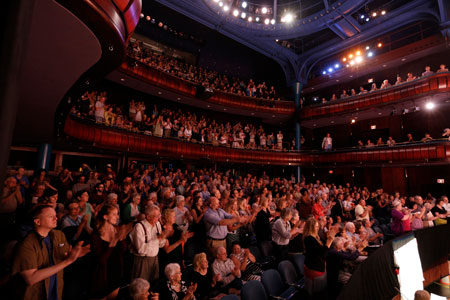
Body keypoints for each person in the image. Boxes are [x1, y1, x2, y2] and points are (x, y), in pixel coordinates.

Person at [12, 205, 90, 300]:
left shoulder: (59, 235)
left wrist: (75, 254)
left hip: (56, 290)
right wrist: (68, 261)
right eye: (50, 216)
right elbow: (30, 278)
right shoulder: (26, 245)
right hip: (35, 295)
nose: (56, 218)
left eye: (55, 215)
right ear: (37, 221)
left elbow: (64, 256)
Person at [90, 204, 132, 300]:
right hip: (102, 274)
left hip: (116, 270)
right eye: (114, 214)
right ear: (105, 217)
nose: (117, 217)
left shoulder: (117, 229)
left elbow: (122, 250)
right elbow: (101, 260)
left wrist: (122, 238)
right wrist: (114, 241)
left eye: (117, 214)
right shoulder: (96, 235)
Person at [129, 205, 167, 282]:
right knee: (140, 286)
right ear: (148, 217)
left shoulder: (157, 224)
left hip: (154, 259)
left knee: (154, 284)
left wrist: (163, 238)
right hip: (142, 261)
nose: (159, 218)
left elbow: (160, 245)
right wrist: (157, 239)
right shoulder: (139, 227)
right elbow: (140, 249)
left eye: (159, 215)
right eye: (156, 216)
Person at [303, 217, 338, 295]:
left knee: (322, 291)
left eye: (317, 226)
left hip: (320, 266)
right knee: (317, 293)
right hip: (314, 268)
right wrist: (329, 240)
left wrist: (329, 238)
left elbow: (324, 247)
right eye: (316, 226)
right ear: (311, 228)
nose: (317, 228)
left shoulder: (316, 236)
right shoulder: (309, 238)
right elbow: (323, 254)